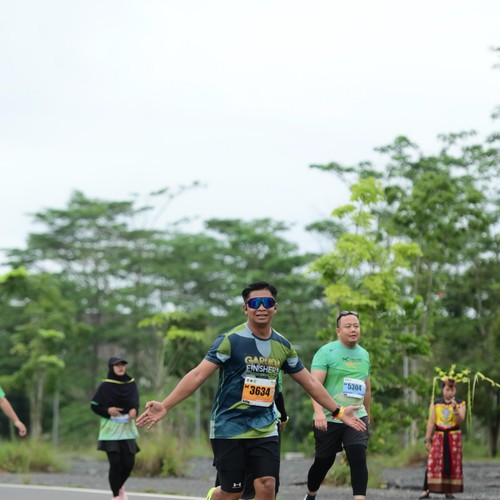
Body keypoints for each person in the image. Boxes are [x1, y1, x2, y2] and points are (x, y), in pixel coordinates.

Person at [137, 281, 367, 500]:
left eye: (267, 303)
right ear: (245, 308)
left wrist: (338, 411)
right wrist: (165, 405)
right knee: (232, 493)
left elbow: (311, 382)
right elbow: (198, 375)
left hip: (265, 427)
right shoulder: (230, 340)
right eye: (255, 303)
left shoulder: (283, 346)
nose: (261, 308)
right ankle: (213, 495)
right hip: (229, 427)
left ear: (275, 308)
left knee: (267, 485)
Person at [304, 310, 371, 500]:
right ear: (338, 331)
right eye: (348, 326)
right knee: (324, 461)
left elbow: (367, 389)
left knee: (358, 455)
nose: (353, 329)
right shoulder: (326, 352)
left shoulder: (364, 354)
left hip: (357, 415)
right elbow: (314, 385)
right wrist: (318, 412)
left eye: (356, 326)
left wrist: (368, 414)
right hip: (329, 417)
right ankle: (311, 494)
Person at [91, 356, 140, 500]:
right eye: (117, 365)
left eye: (122, 365)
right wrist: (108, 410)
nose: (120, 367)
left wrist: (134, 410)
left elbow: (135, 402)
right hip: (110, 431)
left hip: (127, 429)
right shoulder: (105, 386)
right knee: (116, 463)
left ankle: (118, 486)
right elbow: (94, 405)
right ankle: (116, 496)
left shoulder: (131, 383)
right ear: (111, 368)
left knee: (129, 463)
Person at [419, 378, 465, 500]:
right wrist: (427, 439)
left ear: (455, 390)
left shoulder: (460, 403)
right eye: (447, 389)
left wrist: (455, 410)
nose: (450, 392)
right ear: (443, 390)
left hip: (453, 437)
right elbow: (431, 422)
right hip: (439, 436)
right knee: (432, 462)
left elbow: (460, 421)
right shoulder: (436, 404)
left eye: (452, 390)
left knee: (451, 463)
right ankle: (426, 489)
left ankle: (449, 490)